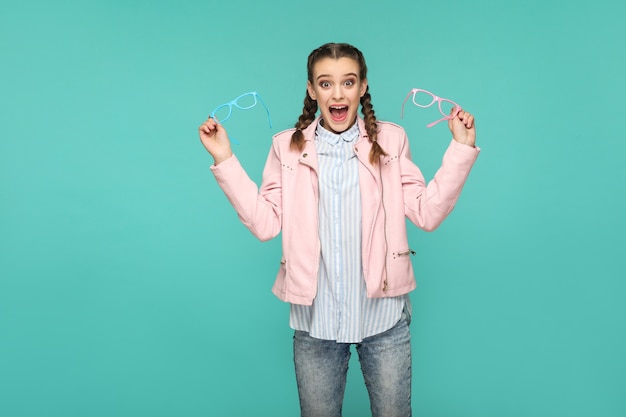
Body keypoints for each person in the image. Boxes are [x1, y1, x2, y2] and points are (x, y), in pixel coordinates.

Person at [198, 42, 479, 417]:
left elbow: (427, 213)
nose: (338, 93)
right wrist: (224, 158)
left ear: (363, 86)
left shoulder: (391, 141)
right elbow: (265, 223)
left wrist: (460, 150)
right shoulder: (286, 148)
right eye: (326, 84)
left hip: (384, 321)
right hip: (316, 325)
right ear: (312, 90)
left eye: (348, 82)